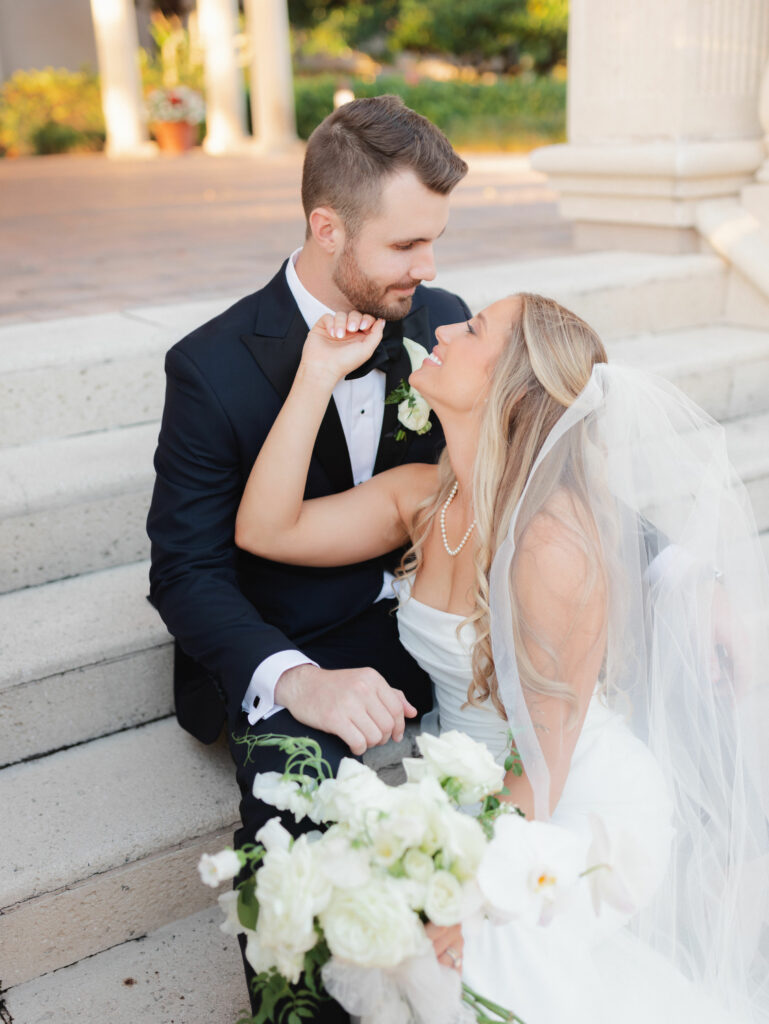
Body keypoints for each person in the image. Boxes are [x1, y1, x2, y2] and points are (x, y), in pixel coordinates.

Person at [235, 294, 769, 1023]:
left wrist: (468, 885)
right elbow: (268, 528)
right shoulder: (423, 498)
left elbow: (542, 759)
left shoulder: (553, 546)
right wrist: (315, 373)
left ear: (511, 388)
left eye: (474, 328)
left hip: (569, 804)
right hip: (475, 796)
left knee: (487, 970)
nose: (444, 328)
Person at [146, 95, 470, 1020]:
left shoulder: (439, 318)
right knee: (292, 825)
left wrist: (673, 573)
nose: (431, 267)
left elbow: (523, 471)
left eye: (435, 239)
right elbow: (185, 572)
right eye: (406, 245)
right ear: (327, 229)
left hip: (428, 614)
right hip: (294, 639)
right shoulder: (211, 366)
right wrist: (296, 681)